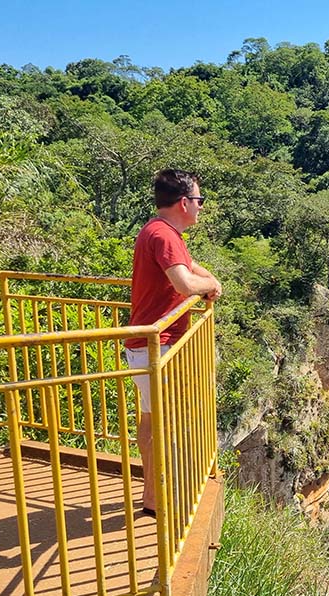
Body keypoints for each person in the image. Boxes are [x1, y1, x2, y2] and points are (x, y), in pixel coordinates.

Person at [124, 169, 222, 517]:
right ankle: (168, 498)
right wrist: (207, 287)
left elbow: (195, 269)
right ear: (184, 202)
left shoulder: (163, 233)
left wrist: (210, 281)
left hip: (147, 344)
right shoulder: (163, 236)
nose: (200, 207)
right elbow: (184, 283)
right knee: (172, 423)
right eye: (199, 200)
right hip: (158, 346)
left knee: (152, 420)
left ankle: (153, 497)